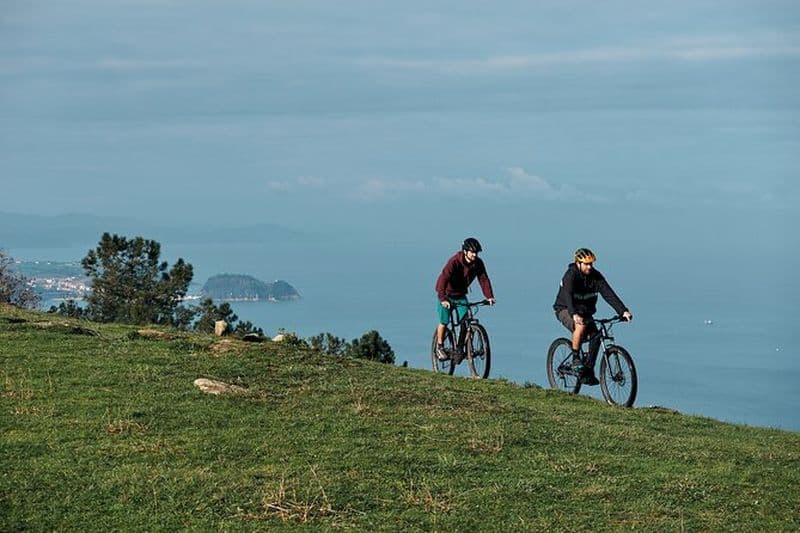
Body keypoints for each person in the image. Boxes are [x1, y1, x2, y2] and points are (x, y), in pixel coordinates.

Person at [553, 247, 632, 385]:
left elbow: (609, 294)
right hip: (565, 309)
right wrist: (573, 314)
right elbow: (568, 296)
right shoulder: (571, 275)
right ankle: (576, 359)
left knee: (596, 337)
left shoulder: (596, 277)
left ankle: (587, 370)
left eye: (591, 264)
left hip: (585, 312)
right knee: (581, 325)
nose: (590, 267)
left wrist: (623, 311)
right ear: (578, 263)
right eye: (586, 264)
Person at [434, 237, 496, 360]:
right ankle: (439, 347)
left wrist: (489, 296)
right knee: (444, 321)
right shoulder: (454, 261)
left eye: (476, 253)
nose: (474, 255)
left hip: (460, 295)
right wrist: (442, 298)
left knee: (466, 321)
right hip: (446, 294)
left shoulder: (478, 263)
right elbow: (443, 278)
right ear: (465, 251)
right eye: (472, 252)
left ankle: (461, 348)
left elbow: (483, 279)